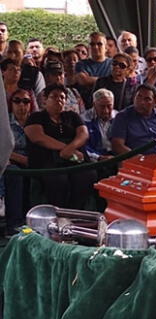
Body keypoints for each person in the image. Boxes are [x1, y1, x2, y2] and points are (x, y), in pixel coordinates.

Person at [23, 84, 97, 209]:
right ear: (45, 99)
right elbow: (38, 137)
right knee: (58, 180)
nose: (59, 100)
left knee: (87, 175)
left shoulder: (72, 116)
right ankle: (58, 214)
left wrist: (70, 149)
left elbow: (83, 134)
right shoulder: (36, 117)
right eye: (54, 96)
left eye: (62, 97)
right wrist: (64, 148)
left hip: (74, 159)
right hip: (47, 161)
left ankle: (76, 212)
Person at [2, 88, 34, 233]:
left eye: (26, 101)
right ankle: (13, 225)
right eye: (17, 101)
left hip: (34, 162)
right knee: (14, 173)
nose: (22, 105)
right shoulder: (5, 122)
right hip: (9, 161)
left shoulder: (35, 122)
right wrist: (20, 158)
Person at [110, 84, 156, 155]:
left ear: (155, 102)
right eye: (139, 97)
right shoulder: (122, 117)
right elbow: (117, 146)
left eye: (147, 99)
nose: (141, 102)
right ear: (133, 98)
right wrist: (137, 157)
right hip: (137, 160)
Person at [75, 32, 113, 108]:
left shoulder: (113, 63)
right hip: (88, 106)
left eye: (99, 44)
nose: (95, 47)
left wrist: (91, 79)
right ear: (88, 47)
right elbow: (84, 81)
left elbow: (116, 81)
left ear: (106, 47)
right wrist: (107, 80)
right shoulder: (80, 64)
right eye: (92, 44)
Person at [82, 88, 118, 163]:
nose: (106, 111)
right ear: (94, 104)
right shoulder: (84, 119)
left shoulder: (119, 118)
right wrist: (99, 157)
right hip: (95, 160)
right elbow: (83, 146)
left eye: (109, 106)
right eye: (102, 106)